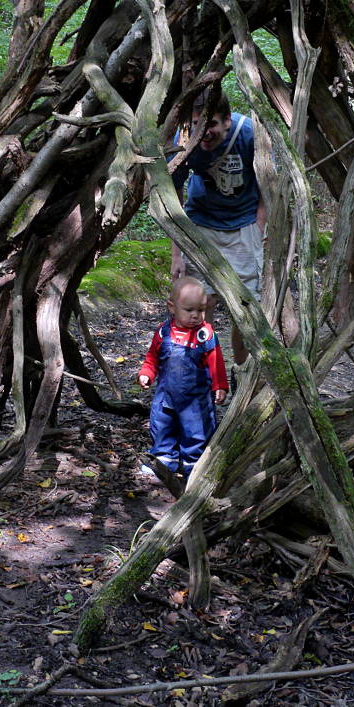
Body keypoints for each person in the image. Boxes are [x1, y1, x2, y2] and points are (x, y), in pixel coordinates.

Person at [171, 90, 266, 364]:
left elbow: (267, 186)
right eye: (196, 125)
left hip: (243, 225)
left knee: (245, 309)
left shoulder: (248, 133)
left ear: (226, 120)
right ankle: (205, 371)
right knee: (202, 303)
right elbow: (173, 193)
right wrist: (177, 253)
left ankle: (241, 370)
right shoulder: (186, 139)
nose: (204, 133)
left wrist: (259, 229)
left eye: (209, 124)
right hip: (201, 223)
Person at [138, 276, 228, 478]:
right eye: (189, 310)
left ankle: (193, 465)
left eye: (201, 310)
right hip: (166, 394)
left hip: (196, 399)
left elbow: (216, 361)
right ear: (172, 307)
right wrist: (147, 373)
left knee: (196, 431)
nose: (196, 315)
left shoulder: (204, 334)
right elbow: (153, 356)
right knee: (162, 426)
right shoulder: (163, 332)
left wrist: (220, 385)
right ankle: (163, 460)